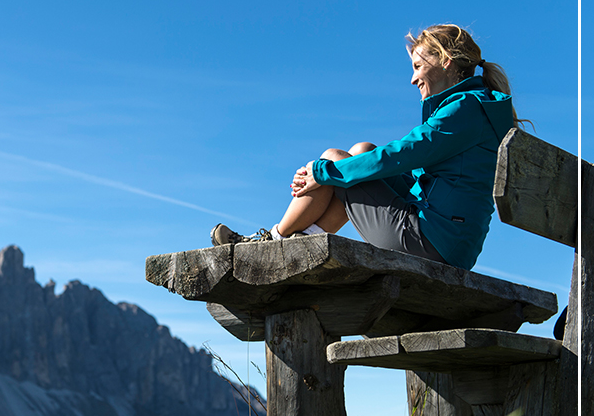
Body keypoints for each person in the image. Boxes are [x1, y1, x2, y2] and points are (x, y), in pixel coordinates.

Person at [211, 24, 523, 271]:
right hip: (447, 239)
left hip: (432, 244)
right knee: (361, 150)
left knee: (333, 158)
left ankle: (270, 242)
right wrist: (335, 174)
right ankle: (291, 241)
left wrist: (324, 172)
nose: (413, 79)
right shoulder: (478, 107)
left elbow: (405, 153)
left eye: (418, 66)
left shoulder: (464, 110)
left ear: (445, 62)